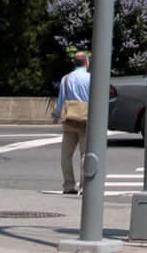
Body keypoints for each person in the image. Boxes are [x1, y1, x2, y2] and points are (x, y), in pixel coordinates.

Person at [53, 49, 92, 194]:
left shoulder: (66, 79)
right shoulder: (90, 78)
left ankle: (68, 185)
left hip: (70, 120)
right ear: (86, 63)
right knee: (85, 155)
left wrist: (58, 115)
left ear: (75, 63)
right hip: (85, 120)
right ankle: (84, 186)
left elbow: (61, 100)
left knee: (66, 156)